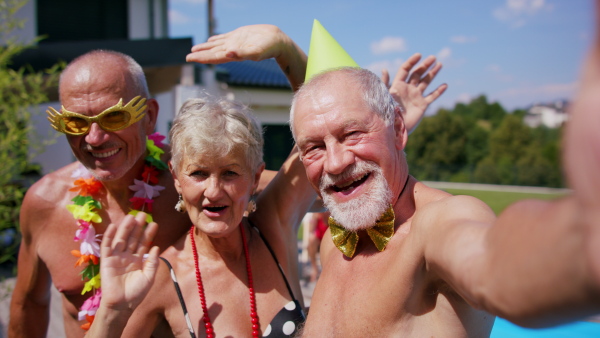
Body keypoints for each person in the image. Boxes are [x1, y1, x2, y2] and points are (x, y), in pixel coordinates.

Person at [83, 25, 447, 337]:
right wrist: (113, 310)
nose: (213, 190)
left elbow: (324, 110)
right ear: (177, 180)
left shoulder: (273, 226)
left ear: (255, 177)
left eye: (230, 173)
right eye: (198, 173)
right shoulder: (160, 276)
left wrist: (283, 47)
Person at [289, 4, 600, 333]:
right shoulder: (332, 245)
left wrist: (587, 245)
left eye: (352, 134)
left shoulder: (436, 224)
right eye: (314, 148)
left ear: (398, 129)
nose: (335, 163)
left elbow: (494, 265)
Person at [8, 28, 307, 337]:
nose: (94, 138)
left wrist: (287, 51)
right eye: (75, 123)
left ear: (149, 116)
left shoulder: (203, 174)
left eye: (114, 118)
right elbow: (28, 305)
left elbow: (317, 162)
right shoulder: (43, 203)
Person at [307, 211, 329, 283]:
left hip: (329, 240)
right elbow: (311, 231)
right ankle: (315, 269)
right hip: (319, 240)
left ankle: (326, 270)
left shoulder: (331, 214)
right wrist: (313, 220)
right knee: (311, 240)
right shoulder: (316, 215)